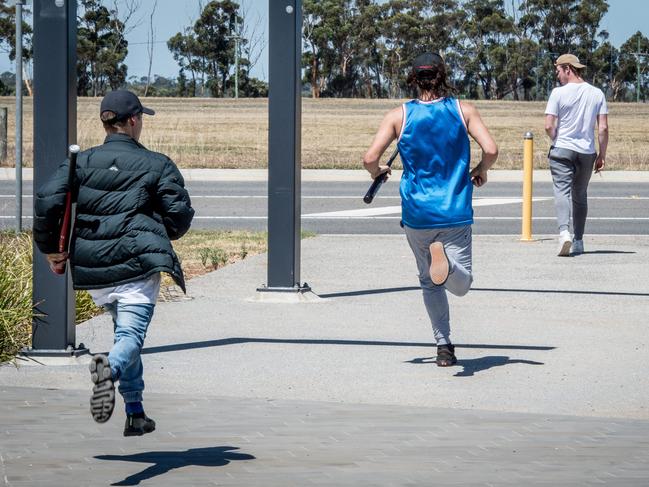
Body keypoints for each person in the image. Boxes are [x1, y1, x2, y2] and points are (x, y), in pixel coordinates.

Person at [33, 90, 194, 436]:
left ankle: (135, 412)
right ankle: (109, 370)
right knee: (131, 336)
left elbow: (48, 200)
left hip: (95, 267)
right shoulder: (157, 163)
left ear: (106, 122)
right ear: (134, 121)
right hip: (137, 265)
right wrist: (158, 231)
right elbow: (178, 216)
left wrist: (51, 249)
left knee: (125, 334)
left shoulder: (83, 162)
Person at [362, 52, 498, 367]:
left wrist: (378, 171)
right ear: (442, 75)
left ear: (414, 77)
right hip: (454, 208)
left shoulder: (400, 115)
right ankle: (447, 267)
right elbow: (490, 149)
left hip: (417, 213)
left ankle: (444, 347)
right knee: (460, 285)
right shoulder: (464, 110)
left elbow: (369, 159)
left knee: (428, 281)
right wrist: (481, 169)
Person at [545, 53, 609, 256]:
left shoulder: (558, 93)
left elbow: (548, 125)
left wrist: (556, 139)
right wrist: (602, 155)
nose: (558, 76)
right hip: (587, 151)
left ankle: (564, 232)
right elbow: (603, 128)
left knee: (561, 191)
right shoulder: (597, 93)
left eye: (558, 71)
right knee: (580, 195)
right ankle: (579, 240)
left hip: (562, 148)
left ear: (567, 69)